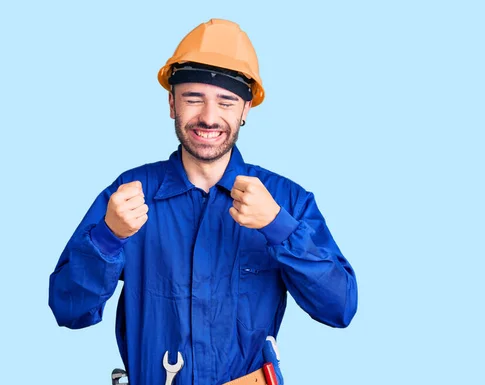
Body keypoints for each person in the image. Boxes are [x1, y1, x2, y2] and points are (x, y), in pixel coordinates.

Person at [48, 18, 358, 385]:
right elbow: (69, 309)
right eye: (193, 99)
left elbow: (339, 308)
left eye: (226, 101)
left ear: (245, 109)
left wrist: (279, 228)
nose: (209, 117)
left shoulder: (287, 201)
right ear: (171, 103)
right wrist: (106, 239)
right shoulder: (128, 195)